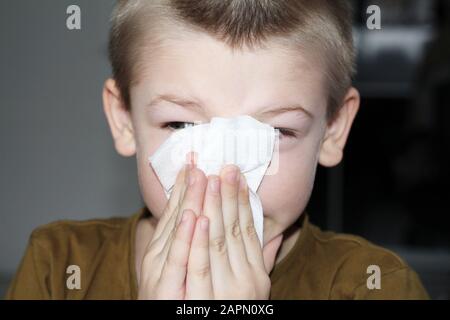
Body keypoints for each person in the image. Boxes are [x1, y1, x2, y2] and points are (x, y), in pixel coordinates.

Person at [6, 0, 429, 299]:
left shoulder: (375, 286)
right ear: (124, 119)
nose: (225, 175)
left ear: (333, 130)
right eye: (182, 125)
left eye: (277, 131)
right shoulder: (58, 269)